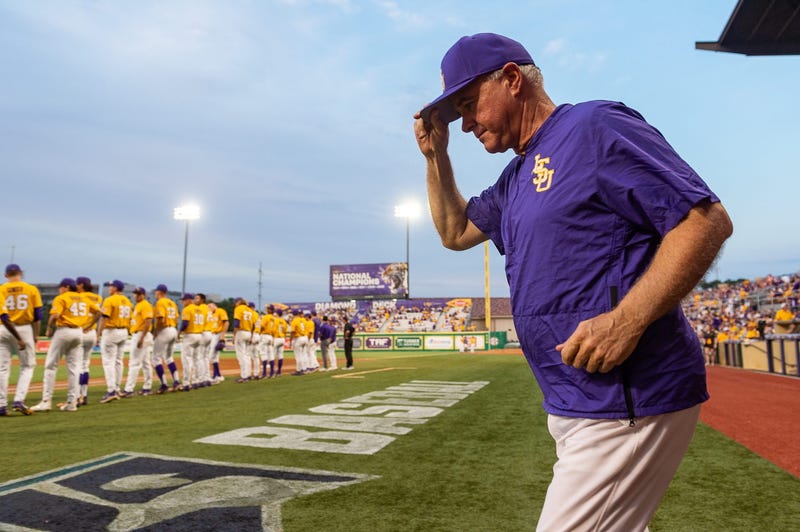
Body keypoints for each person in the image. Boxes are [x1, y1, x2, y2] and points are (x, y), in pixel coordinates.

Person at [414, 33, 733, 531]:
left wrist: (626, 320)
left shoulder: (591, 127)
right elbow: (455, 231)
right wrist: (436, 157)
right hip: (575, 399)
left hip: (625, 397)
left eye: (470, 105)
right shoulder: (515, 176)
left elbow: (704, 221)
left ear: (513, 80)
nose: (468, 124)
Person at [32, 278, 99, 412]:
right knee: (74, 369)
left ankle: (46, 401)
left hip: (64, 331)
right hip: (79, 332)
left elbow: (55, 315)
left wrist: (49, 328)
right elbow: (99, 312)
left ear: (66, 287)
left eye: (61, 287)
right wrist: (89, 325)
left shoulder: (62, 298)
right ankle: (71, 402)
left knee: (51, 366)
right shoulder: (84, 298)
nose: (59, 289)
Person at [0, 263, 43, 415]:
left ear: (6, 275)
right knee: (27, 366)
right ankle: (18, 400)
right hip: (24, 328)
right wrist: (34, 335)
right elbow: (38, 316)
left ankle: (1, 405)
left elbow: (3, 316)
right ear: (21, 273)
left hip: (3, 329)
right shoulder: (31, 289)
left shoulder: (1, 289)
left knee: (3, 368)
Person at [96, 279, 133, 403]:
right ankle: (117, 388)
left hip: (111, 331)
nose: (109, 288)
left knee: (108, 362)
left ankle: (111, 390)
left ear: (116, 288)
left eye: (111, 286)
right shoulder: (127, 301)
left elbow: (104, 318)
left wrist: (98, 334)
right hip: (124, 332)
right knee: (118, 361)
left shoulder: (110, 300)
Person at [120, 287, 154, 397]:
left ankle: (129, 389)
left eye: (138, 294)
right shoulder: (138, 306)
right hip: (139, 334)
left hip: (141, 334)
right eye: (135, 294)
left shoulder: (145, 304)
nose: (136, 296)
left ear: (143, 295)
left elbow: (148, 321)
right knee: (145, 363)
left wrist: (142, 337)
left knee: (134, 363)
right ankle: (147, 387)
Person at [76, 276, 102, 406]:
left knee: (77, 366)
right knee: (85, 365)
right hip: (92, 333)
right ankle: (84, 395)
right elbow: (99, 313)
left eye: (77, 284)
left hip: (82, 331)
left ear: (81, 285)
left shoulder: (80, 297)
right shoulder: (97, 297)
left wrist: (86, 325)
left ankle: (77, 396)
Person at [152, 284, 181, 393]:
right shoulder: (172, 303)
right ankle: (177, 381)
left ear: (159, 292)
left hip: (164, 330)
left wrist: (155, 332)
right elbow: (177, 319)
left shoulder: (160, 302)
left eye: (156, 291)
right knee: (169, 358)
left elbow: (161, 319)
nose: (155, 293)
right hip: (173, 329)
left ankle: (164, 384)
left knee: (156, 359)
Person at [177, 293, 204, 390]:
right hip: (199, 335)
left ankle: (186, 383)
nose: (182, 302)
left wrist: (179, 333)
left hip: (190, 335)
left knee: (187, 360)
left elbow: (185, 323)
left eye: (184, 300)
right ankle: (197, 381)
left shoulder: (187, 309)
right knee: (197, 359)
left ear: (189, 300)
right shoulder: (200, 309)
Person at [232, 297, 256, 383]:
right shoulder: (250, 310)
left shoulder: (238, 308)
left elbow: (236, 323)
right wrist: (251, 336)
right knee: (247, 355)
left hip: (241, 332)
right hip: (249, 333)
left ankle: (243, 376)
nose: (235, 304)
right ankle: (248, 375)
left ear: (238, 302)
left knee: (241, 355)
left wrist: (234, 335)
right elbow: (253, 326)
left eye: (235, 302)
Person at [206, 301, 229, 384]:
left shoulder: (220, 310)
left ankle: (215, 376)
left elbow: (226, 322)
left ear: (215, 305)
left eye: (210, 306)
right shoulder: (209, 314)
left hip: (218, 334)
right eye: (207, 306)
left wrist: (222, 336)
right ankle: (218, 375)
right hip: (212, 335)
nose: (209, 307)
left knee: (211, 356)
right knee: (214, 357)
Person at [271, 308, 288, 377]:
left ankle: (272, 372)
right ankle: (279, 371)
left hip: (276, 338)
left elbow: (273, 330)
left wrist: (272, 338)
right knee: (280, 355)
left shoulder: (276, 320)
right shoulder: (284, 321)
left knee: (272, 355)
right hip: (282, 339)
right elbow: (285, 330)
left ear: (277, 313)